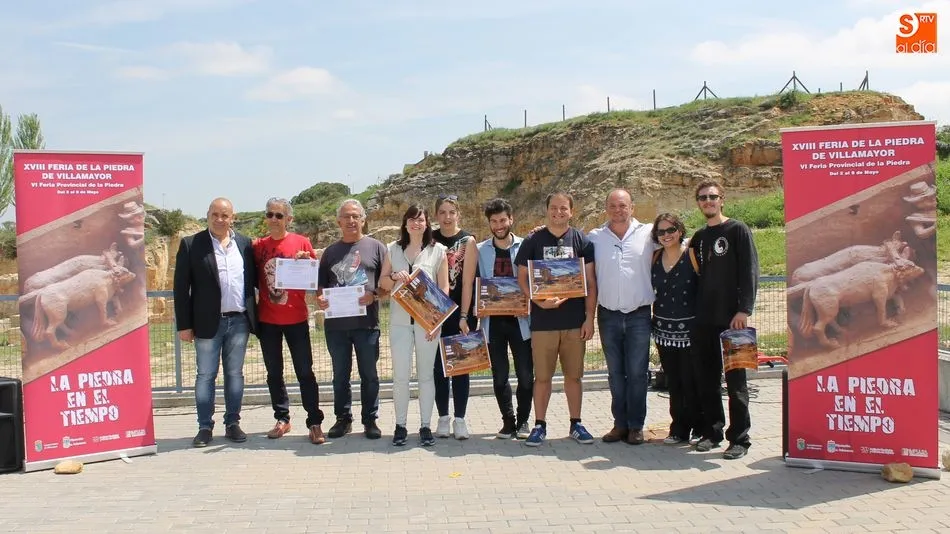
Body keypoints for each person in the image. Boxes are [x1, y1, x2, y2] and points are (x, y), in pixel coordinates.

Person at [514, 191, 597, 447]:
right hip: (543, 323)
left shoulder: (582, 241)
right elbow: (522, 279)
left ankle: (576, 423)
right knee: (543, 378)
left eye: (564, 208)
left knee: (574, 377)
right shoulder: (533, 240)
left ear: (571, 211)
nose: (558, 212)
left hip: (574, 322)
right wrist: (537, 301)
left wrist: (589, 319)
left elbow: (591, 283)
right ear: (547, 209)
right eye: (554, 208)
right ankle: (540, 425)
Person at [174, 197, 258, 448]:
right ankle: (204, 426)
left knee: (235, 375)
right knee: (205, 375)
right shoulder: (191, 244)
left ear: (233, 218)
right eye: (215, 215)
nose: (220, 220)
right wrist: (184, 325)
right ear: (208, 216)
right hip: (207, 323)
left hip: (239, 321)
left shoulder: (243, 244)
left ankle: (232, 423)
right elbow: (181, 288)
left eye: (225, 215)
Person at [688, 180, 759, 460]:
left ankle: (740, 438)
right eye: (703, 198)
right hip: (704, 318)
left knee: (737, 381)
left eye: (713, 197)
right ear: (698, 203)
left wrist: (744, 309)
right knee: (707, 380)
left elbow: (750, 270)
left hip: (734, 320)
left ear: (722, 199)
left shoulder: (738, 230)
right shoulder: (699, 237)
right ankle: (712, 432)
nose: (708, 201)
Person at [252, 197, 326, 445]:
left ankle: (314, 422)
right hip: (268, 320)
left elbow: (316, 277)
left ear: (289, 219)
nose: (274, 219)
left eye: (279, 215)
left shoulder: (301, 242)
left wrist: (308, 264)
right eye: (270, 214)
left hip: (296, 318)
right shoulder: (257, 247)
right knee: (274, 373)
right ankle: (282, 418)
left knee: (305, 371)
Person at [586, 189, 656, 445]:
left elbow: (677, 241)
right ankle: (620, 424)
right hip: (608, 315)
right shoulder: (594, 238)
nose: (618, 210)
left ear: (632, 208)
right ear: (606, 208)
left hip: (639, 315)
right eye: (613, 205)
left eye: (623, 205)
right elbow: (567, 248)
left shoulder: (649, 234)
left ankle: (636, 426)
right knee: (615, 373)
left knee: (637, 373)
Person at [378, 204, 450, 447]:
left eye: (420, 219)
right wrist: (394, 278)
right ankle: (400, 425)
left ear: (427, 223)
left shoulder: (438, 251)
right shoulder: (392, 249)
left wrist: (436, 322)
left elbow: (443, 289)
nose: (416, 223)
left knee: (426, 376)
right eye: (412, 219)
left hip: (425, 324)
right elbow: (383, 284)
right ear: (405, 223)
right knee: (400, 377)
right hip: (399, 323)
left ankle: (425, 426)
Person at [316, 199, 387, 440]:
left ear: (363, 219)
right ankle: (343, 419)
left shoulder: (377, 247)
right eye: (346, 216)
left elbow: (387, 286)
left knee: (369, 375)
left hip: (367, 325)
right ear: (338, 221)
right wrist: (321, 300)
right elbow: (321, 288)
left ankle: (370, 420)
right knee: (340, 376)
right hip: (336, 327)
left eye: (355, 216)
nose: (351, 220)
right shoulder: (330, 252)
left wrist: (374, 294)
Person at [470, 198, 534, 439]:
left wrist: (528, 303)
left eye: (502, 220)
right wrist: (479, 306)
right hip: (493, 322)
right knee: (499, 377)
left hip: (521, 322)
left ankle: (524, 421)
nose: (499, 225)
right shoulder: (481, 249)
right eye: (494, 221)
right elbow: (477, 284)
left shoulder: (526, 245)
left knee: (526, 375)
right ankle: (508, 421)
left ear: (511, 220)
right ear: (489, 223)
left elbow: (534, 281)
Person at [650, 212, 701, 446]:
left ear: (680, 230)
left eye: (671, 230)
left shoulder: (692, 254)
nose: (666, 235)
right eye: (661, 232)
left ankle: (700, 428)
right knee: (674, 382)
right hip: (663, 331)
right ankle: (678, 428)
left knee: (693, 381)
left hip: (691, 330)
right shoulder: (654, 258)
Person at [432, 194, 478, 440]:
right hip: (436, 313)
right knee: (439, 368)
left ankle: (460, 419)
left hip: (460, 312)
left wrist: (464, 315)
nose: (447, 217)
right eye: (442, 213)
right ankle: (442, 417)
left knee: (460, 367)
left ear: (458, 214)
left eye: (451, 212)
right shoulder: (431, 240)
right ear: (436, 215)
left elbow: (468, 281)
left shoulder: (467, 240)